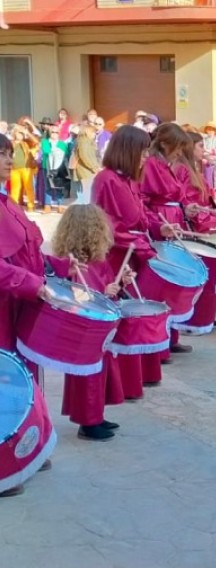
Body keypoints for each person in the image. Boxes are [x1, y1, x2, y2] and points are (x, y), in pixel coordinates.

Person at [0, 135, 70, 497]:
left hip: (19, 305)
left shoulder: (8, 202)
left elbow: (29, 254)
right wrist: (32, 283)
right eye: (1, 154)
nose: (8, 160)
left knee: (25, 379)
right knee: (4, 383)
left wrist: (61, 267)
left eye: (9, 153)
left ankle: (30, 446)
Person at [94, 126, 177, 398]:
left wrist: (157, 228)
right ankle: (120, 387)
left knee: (140, 314)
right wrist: (140, 244)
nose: (145, 158)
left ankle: (141, 376)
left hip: (135, 254)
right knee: (123, 319)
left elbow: (141, 214)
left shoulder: (130, 180)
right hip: (115, 259)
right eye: (142, 152)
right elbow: (108, 226)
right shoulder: (106, 180)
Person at [53, 204, 131, 441]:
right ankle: (88, 422)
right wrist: (105, 291)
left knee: (101, 371)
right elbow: (77, 296)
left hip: (99, 325)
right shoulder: (71, 261)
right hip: (83, 327)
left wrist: (121, 284)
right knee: (88, 375)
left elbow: (107, 289)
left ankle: (96, 414)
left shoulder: (98, 260)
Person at [9, 124, 39, 210]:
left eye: (22, 134)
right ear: (15, 133)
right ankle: (13, 206)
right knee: (15, 188)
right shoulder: (10, 143)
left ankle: (31, 206)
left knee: (28, 187)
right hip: (14, 169)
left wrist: (27, 133)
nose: (20, 135)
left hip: (26, 168)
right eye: (19, 133)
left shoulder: (26, 142)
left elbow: (36, 142)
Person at [40, 123, 69, 211]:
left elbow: (65, 153)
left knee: (59, 187)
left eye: (56, 132)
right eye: (52, 132)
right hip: (47, 167)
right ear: (49, 132)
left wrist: (55, 151)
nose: (54, 134)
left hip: (59, 168)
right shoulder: (45, 141)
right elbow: (46, 151)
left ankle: (60, 206)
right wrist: (54, 149)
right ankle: (47, 206)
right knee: (48, 187)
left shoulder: (62, 143)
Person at [71, 125, 100, 205]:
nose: (95, 134)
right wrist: (93, 167)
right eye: (93, 132)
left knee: (87, 193)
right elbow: (84, 156)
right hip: (85, 170)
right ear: (88, 132)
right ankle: (84, 210)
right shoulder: (83, 141)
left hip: (88, 170)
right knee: (87, 193)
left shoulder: (88, 141)